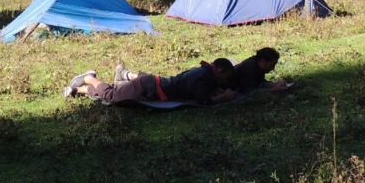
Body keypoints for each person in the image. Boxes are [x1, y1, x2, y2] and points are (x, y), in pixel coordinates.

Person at [64, 58, 237, 105]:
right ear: (220, 71)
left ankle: (77, 90)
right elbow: (203, 101)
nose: (223, 82)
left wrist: (217, 91)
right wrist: (224, 97)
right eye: (225, 77)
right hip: (148, 87)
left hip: (151, 85)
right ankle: (89, 78)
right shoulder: (205, 77)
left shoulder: (204, 72)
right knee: (111, 96)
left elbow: (198, 91)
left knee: (117, 93)